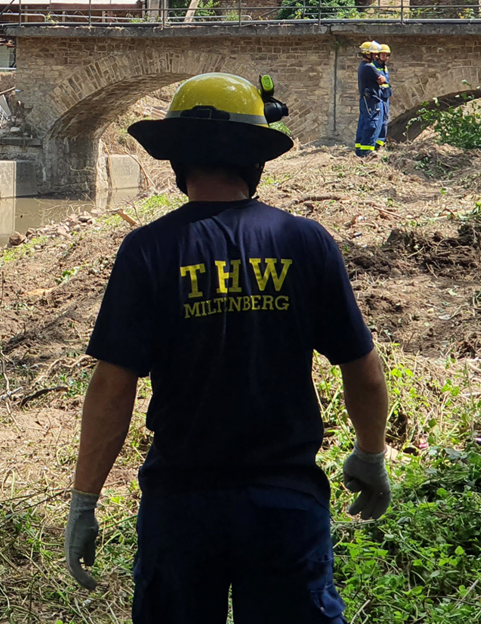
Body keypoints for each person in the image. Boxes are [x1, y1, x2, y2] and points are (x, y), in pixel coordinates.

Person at [64, 72, 392, 623]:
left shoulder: (147, 251)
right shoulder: (305, 242)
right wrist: (370, 455)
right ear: (255, 161)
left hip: (181, 507)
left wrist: (85, 500)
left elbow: (112, 388)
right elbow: (362, 367)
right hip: (285, 503)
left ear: (176, 163)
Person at [355, 41, 386, 156]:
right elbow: (382, 80)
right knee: (371, 124)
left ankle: (360, 149)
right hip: (371, 100)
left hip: (366, 100)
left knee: (363, 123)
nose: (376, 56)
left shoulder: (363, 66)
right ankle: (367, 151)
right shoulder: (369, 67)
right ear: (368, 54)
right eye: (374, 54)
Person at [374, 44, 392, 149]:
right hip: (378, 97)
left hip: (385, 97)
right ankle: (374, 146)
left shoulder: (384, 68)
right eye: (383, 55)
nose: (385, 57)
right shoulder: (373, 67)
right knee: (377, 120)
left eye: (387, 55)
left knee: (384, 121)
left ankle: (380, 145)